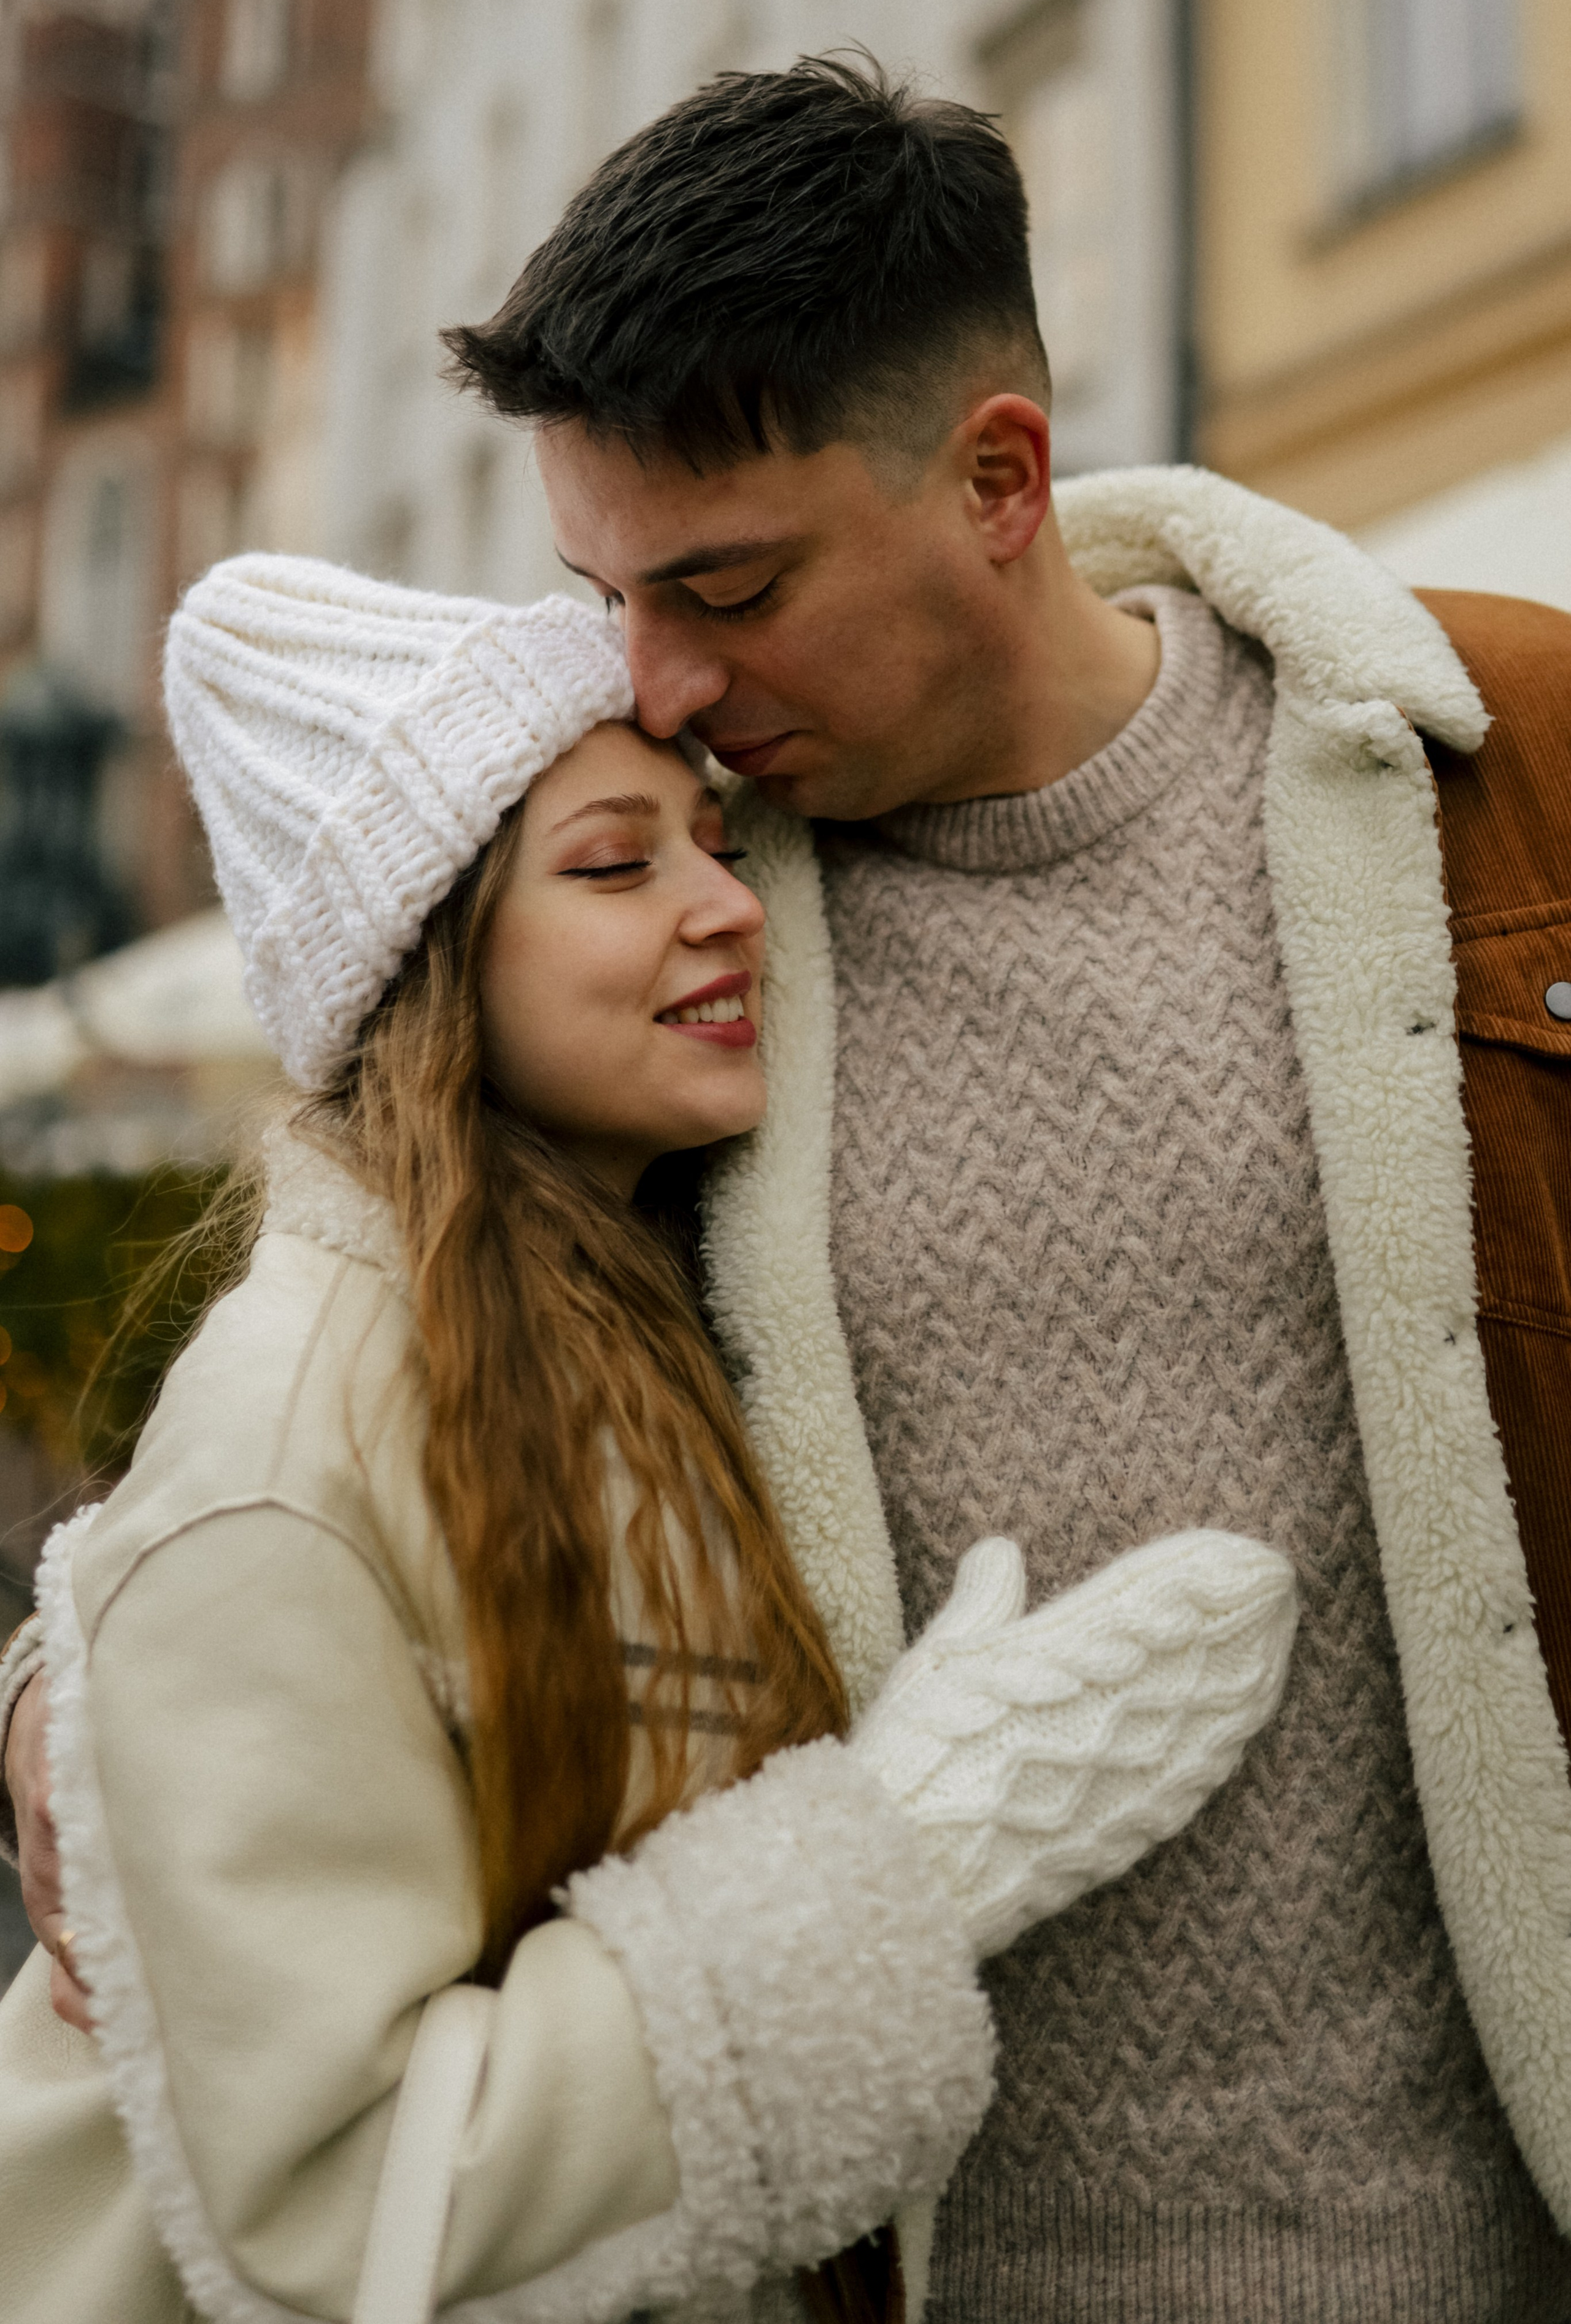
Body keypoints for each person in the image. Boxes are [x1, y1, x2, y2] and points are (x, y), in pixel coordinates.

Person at [0, 558, 1296, 2324]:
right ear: (422, 964)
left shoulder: (650, 1283)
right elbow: (333, 2207)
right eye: (618, 863)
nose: (728, 905)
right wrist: (910, 1862)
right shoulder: (289, 1437)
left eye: (717, 842)